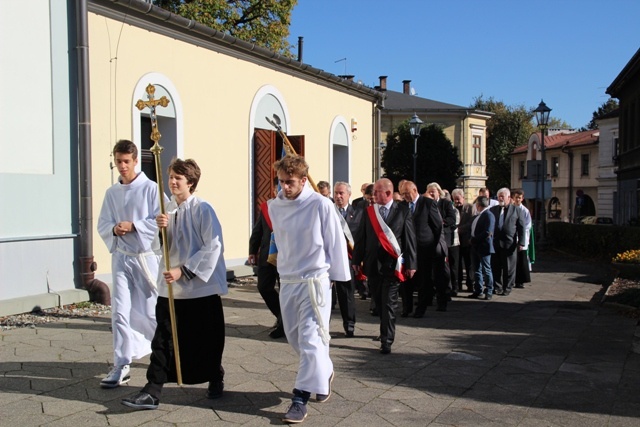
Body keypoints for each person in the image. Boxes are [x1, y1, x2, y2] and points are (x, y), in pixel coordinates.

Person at [122, 158, 228, 410]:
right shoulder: (167, 209)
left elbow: (212, 246)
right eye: (170, 177)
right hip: (170, 288)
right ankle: (152, 390)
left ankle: (215, 375)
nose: (172, 182)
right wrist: (161, 231)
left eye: (177, 178)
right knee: (163, 339)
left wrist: (184, 270)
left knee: (206, 339)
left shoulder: (203, 209)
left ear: (190, 182)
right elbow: (160, 249)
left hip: (199, 288)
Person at [269, 155, 350, 424]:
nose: (284, 188)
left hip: (315, 281)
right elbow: (280, 242)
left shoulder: (320, 205)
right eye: (281, 182)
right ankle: (324, 371)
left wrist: (336, 277)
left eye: (290, 182)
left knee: (311, 339)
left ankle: (299, 399)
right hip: (289, 281)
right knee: (296, 340)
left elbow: (334, 241)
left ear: (304, 180)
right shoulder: (275, 206)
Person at [97, 139, 161, 389]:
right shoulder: (112, 193)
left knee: (149, 311)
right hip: (122, 257)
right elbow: (103, 222)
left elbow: (163, 221)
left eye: (126, 161)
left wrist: (134, 226)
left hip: (145, 258)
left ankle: (163, 354)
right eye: (118, 162)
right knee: (119, 311)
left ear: (136, 161)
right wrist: (114, 228)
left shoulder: (152, 189)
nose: (122, 166)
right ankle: (121, 363)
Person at [352, 178, 417, 354]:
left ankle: (387, 340)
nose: (373, 195)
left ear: (388, 193)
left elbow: (409, 239)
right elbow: (361, 238)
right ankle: (384, 328)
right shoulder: (369, 212)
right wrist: (356, 261)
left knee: (389, 303)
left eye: (377, 191)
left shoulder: (402, 211)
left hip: (392, 266)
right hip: (373, 265)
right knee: (379, 303)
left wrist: (411, 263)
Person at [248, 185, 284, 339]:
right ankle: (280, 315)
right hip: (266, 255)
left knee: (285, 292)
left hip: (285, 257)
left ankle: (284, 325)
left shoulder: (292, 208)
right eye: (278, 189)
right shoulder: (266, 207)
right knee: (263, 287)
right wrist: (252, 251)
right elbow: (258, 231)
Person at [401, 181, 441, 317]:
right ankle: (407, 307)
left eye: (407, 193)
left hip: (424, 248)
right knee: (406, 280)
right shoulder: (402, 206)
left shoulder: (428, 203)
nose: (405, 196)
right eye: (403, 194)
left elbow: (437, 227)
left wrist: (431, 244)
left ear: (415, 189)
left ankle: (421, 309)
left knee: (424, 280)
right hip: (407, 249)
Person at [333, 181, 362, 337]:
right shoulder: (329, 212)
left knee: (346, 294)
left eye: (341, 193)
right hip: (329, 258)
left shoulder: (357, 213)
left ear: (349, 195)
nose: (338, 196)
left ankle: (349, 324)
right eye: (336, 193)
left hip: (348, 259)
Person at [490, 188, 524, 297]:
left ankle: (507, 287)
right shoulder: (493, 210)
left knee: (508, 268)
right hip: (495, 243)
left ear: (509, 198)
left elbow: (521, 227)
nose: (500, 198)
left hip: (509, 243)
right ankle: (497, 287)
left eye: (502, 196)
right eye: (499, 196)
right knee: (496, 266)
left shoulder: (516, 210)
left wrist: (521, 243)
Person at [468, 196, 495, 299]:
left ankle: (489, 290)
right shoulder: (478, 215)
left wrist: (474, 239)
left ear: (478, 205)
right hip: (475, 246)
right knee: (477, 269)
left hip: (484, 246)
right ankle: (478, 290)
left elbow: (488, 232)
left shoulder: (488, 215)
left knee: (486, 269)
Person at [452, 189, 474, 292]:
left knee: (469, 263)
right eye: (455, 199)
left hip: (467, 239)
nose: (457, 201)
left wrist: (460, 229)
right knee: (457, 264)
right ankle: (458, 283)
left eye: (458, 199)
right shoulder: (452, 208)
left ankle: (470, 284)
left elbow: (471, 222)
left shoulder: (469, 207)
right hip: (456, 241)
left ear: (463, 198)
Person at [512, 189, 533, 289]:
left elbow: (527, 225)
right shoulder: (511, 209)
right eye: (516, 198)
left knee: (521, 261)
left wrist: (520, 238)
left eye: (519, 198)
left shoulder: (525, 211)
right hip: (512, 238)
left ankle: (520, 281)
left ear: (522, 199)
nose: (517, 200)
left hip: (521, 238)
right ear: (513, 198)